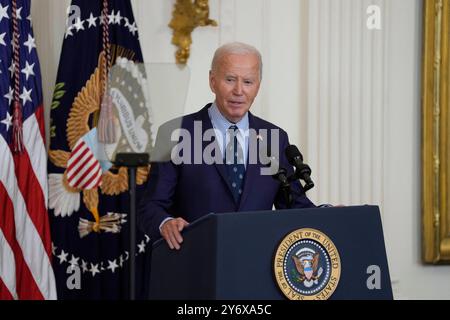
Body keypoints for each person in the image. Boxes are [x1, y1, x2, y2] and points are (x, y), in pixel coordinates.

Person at [138, 42, 316, 250]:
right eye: (230, 80)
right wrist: (165, 223)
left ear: (258, 85)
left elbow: (294, 205)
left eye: (248, 82)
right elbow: (151, 206)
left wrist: (331, 214)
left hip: (257, 265)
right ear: (212, 81)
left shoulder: (273, 138)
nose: (239, 91)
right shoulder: (175, 134)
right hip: (196, 263)